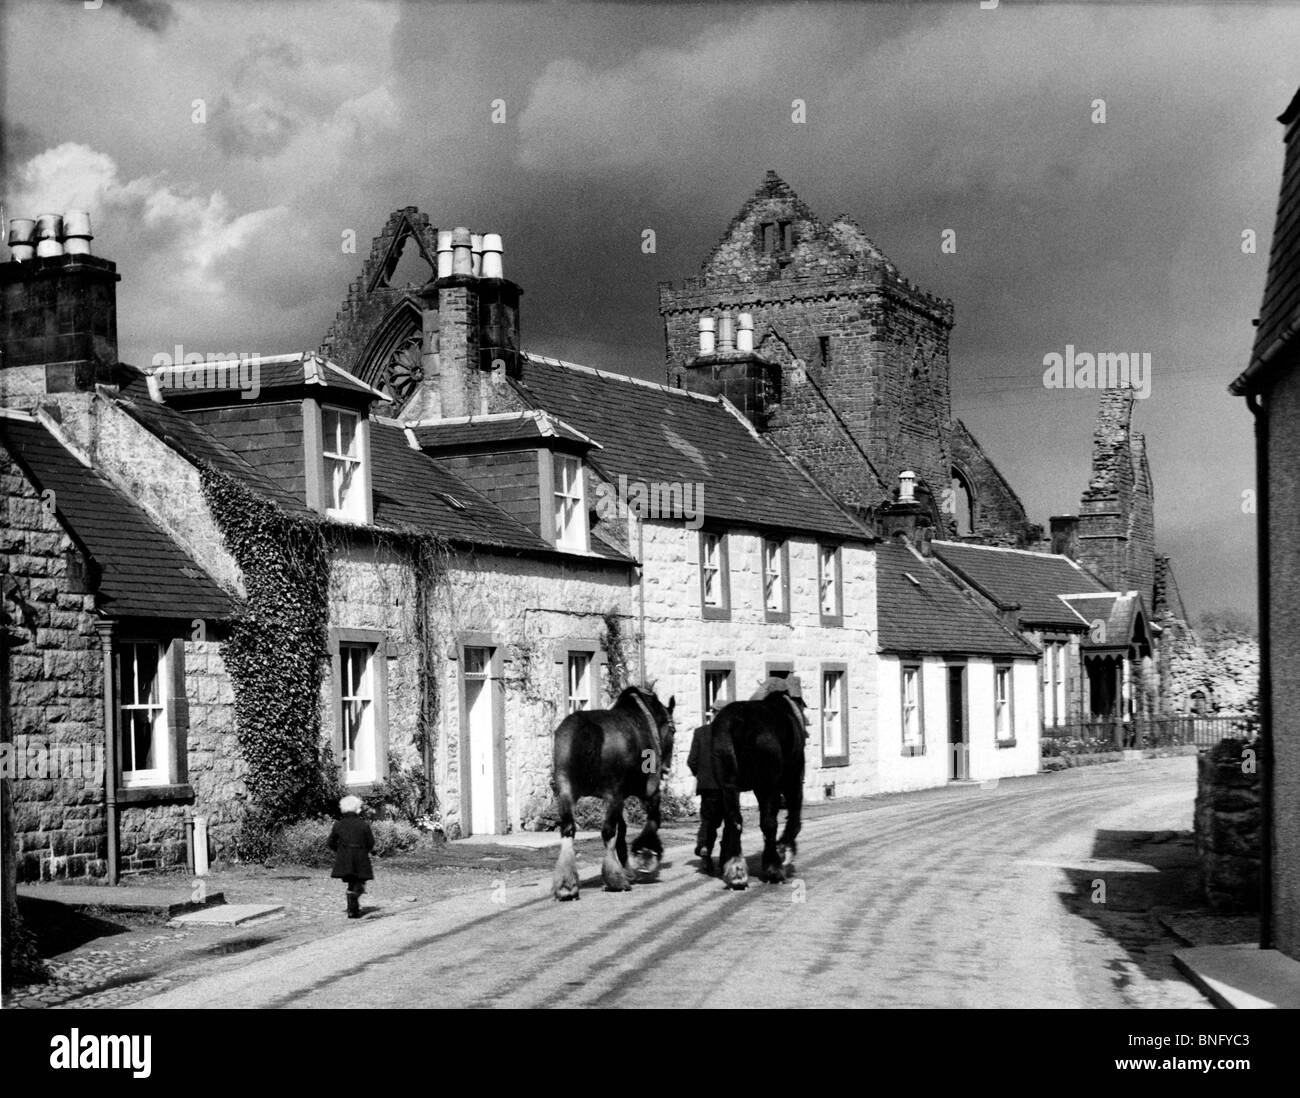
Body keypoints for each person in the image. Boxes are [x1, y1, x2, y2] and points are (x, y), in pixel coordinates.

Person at [687, 708, 724, 871]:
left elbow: (692, 760)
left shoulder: (700, 733)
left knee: (708, 821)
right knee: (730, 821)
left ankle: (705, 849)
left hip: (707, 786)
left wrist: (702, 775)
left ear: (713, 713)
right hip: (727, 786)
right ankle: (727, 857)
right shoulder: (733, 733)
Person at [327, 795, 374, 919]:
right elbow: (371, 843)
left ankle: (352, 909)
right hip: (360, 856)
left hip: (345, 857)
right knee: (359, 883)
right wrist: (363, 851)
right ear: (357, 808)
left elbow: (331, 842)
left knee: (351, 882)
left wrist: (341, 851)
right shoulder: (363, 824)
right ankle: (353, 903)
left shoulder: (338, 824)